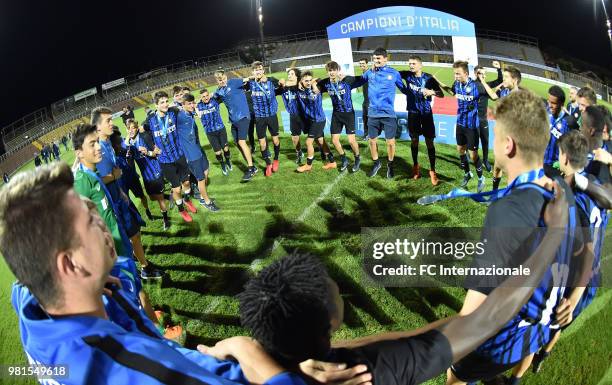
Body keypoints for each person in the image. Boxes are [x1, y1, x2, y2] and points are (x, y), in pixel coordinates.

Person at [0, 162, 308, 385]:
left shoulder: (34, 304)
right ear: (71, 266)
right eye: (91, 221)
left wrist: (89, 282)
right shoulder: (129, 369)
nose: (106, 226)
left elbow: (16, 369)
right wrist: (250, 351)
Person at [238, 202, 571, 385]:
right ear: (331, 318)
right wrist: (555, 233)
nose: (336, 282)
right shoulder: (369, 371)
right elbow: (490, 318)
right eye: (331, 284)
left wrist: (241, 349)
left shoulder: (236, 366)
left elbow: (217, 348)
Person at [445, 90, 585, 385]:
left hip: (502, 338)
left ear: (507, 145)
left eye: (496, 135)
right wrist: (571, 299)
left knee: (454, 376)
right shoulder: (562, 190)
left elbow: (470, 316)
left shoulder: (507, 212)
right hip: (536, 333)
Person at [72, 123, 163, 280]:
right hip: (112, 246)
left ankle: (143, 269)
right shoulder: (82, 180)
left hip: (118, 226)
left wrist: (120, 192)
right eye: (92, 144)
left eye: (97, 143)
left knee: (136, 285)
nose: (98, 147)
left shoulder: (93, 172)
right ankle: (143, 270)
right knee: (131, 285)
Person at [438, 61, 498, 192]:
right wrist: (439, 83)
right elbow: (452, 92)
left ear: (465, 73)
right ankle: (467, 174)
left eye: (458, 74)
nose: (456, 76)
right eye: (454, 74)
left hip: (472, 126)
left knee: (473, 155)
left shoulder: (476, 86)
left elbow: (493, 97)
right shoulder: (457, 84)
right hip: (460, 123)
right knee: (460, 150)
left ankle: (481, 178)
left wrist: (482, 81)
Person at [144, 92, 198, 223]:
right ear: (156, 105)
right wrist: (152, 146)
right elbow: (144, 133)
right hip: (165, 160)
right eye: (162, 102)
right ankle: (181, 209)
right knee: (176, 188)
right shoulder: (150, 120)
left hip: (179, 155)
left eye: (166, 101)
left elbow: (185, 108)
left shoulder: (173, 112)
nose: (165, 104)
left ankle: (187, 200)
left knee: (186, 182)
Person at [360, 47, 408, 178]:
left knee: (390, 142)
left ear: (386, 59)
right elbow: (358, 81)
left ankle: (390, 165)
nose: (376, 61)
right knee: (372, 141)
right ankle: (376, 163)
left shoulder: (394, 73)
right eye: (374, 58)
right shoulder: (369, 73)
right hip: (373, 113)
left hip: (388, 114)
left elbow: (404, 89)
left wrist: (419, 93)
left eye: (378, 58)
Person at [399, 56, 445, 185]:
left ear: (420, 65)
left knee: (429, 142)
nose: (411, 66)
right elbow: (393, 73)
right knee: (414, 140)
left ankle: (432, 171)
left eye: (413, 64)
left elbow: (441, 94)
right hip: (413, 113)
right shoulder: (407, 75)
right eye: (409, 63)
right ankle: (415, 167)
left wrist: (431, 92)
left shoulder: (429, 78)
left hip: (426, 113)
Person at [315, 61, 365, 172]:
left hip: (348, 114)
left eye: (334, 70)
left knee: (351, 141)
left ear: (338, 70)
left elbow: (362, 79)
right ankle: (344, 158)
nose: (332, 72)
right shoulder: (326, 83)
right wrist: (314, 82)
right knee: (334, 140)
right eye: (329, 70)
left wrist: (349, 76)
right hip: (336, 114)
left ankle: (357, 158)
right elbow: (316, 89)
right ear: (327, 72)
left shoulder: (347, 81)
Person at [126, 119, 172, 230]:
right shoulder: (128, 144)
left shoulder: (144, 137)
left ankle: (166, 220)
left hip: (155, 171)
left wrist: (148, 152)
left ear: (137, 128)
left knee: (160, 199)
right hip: (145, 175)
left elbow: (158, 152)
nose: (131, 130)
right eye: (129, 128)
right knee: (152, 197)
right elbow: (129, 160)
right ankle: (170, 197)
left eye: (133, 128)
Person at [213, 69, 258, 182]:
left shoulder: (233, 82)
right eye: (220, 80)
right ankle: (251, 164)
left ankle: (251, 168)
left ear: (226, 77)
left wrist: (255, 75)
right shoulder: (219, 91)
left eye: (223, 78)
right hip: (233, 120)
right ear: (217, 81)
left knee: (242, 142)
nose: (222, 81)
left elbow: (247, 79)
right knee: (237, 143)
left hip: (243, 116)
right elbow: (211, 98)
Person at [178, 93, 220, 212]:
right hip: (191, 155)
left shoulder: (190, 113)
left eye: (193, 103)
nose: (192, 105)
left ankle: (202, 196)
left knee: (206, 170)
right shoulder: (179, 116)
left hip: (198, 150)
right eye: (189, 104)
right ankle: (206, 201)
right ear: (183, 105)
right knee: (200, 179)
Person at [243, 61, 282, 177]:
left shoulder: (271, 80)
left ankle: (275, 159)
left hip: (271, 116)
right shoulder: (250, 83)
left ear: (263, 70)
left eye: (260, 69)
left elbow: (281, 84)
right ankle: (268, 164)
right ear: (253, 72)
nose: (258, 71)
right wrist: (250, 78)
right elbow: (237, 85)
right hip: (259, 117)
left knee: (275, 140)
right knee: (262, 143)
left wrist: (282, 82)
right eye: (255, 70)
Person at [294, 71, 337, 172]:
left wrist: (314, 82)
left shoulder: (318, 87)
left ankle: (308, 165)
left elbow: (321, 79)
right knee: (321, 142)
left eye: (310, 80)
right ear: (301, 81)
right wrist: (299, 83)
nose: (308, 82)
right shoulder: (299, 90)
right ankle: (332, 161)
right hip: (310, 120)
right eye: (306, 81)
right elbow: (289, 83)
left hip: (318, 120)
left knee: (309, 142)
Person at [109, 128, 154, 221]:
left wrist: (141, 150)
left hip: (133, 177)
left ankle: (147, 210)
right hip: (122, 182)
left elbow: (137, 155)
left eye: (120, 141)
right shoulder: (109, 154)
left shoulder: (127, 147)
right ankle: (137, 219)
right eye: (117, 143)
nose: (120, 145)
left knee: (141, 196)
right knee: (127, 202)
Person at [491, 66, 522, 191]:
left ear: (514, 80)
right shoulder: (504, 92)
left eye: (506, 77)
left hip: (514, 138)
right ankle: (494, 193)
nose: (503, 80)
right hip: (502, 136)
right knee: (497, 166)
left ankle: (511, 197)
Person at [197, 89, 232, 175]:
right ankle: (223, 164)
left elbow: (222, 93)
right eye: (203, 97)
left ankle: (227, 161)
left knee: (226, 149)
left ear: (209, 95)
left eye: (206, 95)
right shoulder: (198, 106)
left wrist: (213, 94)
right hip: (210, 132)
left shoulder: (215, 101)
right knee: (218, 152)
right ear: (200, 98)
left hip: (220, 129)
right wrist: (197, 102)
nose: (206, 98)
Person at [543, 86, 576, 177]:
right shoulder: (546, 112)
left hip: (555, 169)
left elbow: (573, 147)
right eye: (548, 101)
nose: (549, 105)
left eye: (553, 103)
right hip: (540, 163)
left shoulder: (569, 122)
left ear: (561, 103)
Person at [279, 68, 305, 165]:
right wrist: (280, 82)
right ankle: (299, 153)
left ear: (297, 76)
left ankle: (323, 150)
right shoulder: (284, 87)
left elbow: (317, 79)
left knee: (315, 135)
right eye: (288, 74)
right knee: (294, 137)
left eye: (292, 74)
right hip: (293, 115)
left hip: (304, 114)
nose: (289, 76)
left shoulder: (301, 85)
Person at [358, 58, 370, 141]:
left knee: (369, 119)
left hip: (370, 101)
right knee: (365, 119)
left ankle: (370, 135)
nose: (362, 65)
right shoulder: (363, 74)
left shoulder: (370, 74)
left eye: (363, 63)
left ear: (367, 64)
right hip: (365, 101)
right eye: (360, 64)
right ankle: (366, 134)